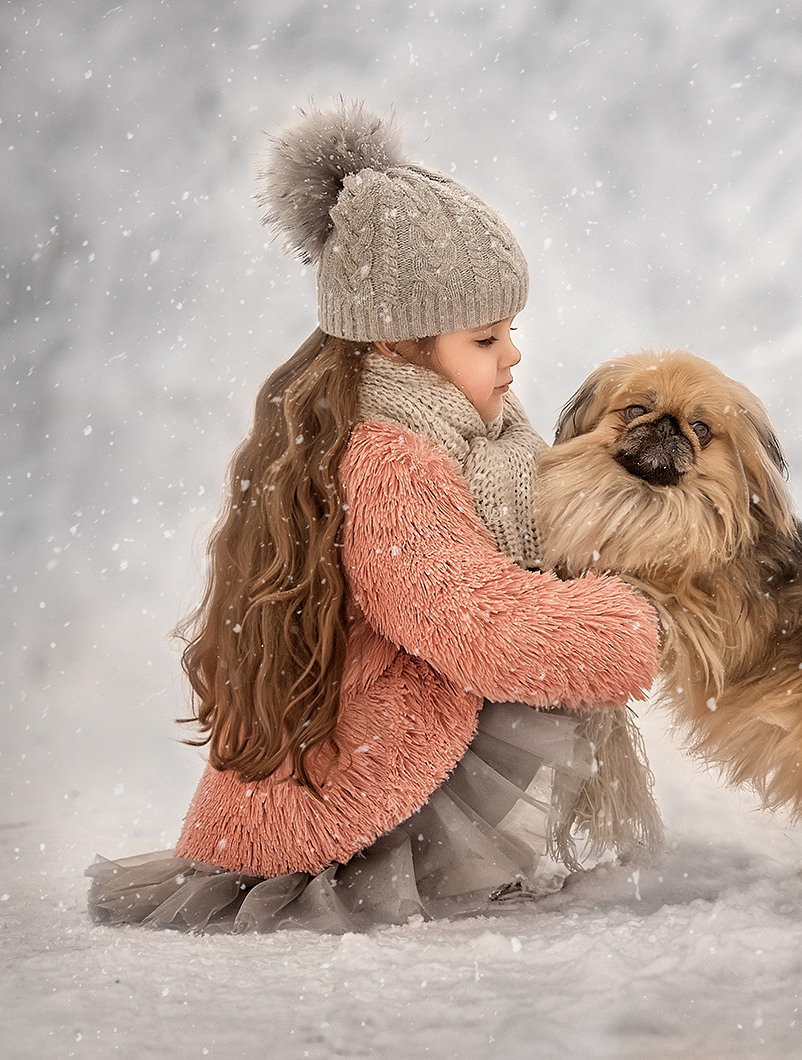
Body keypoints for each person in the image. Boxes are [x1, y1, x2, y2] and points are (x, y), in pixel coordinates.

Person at [87, 101, 661, 933]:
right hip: (360, 783)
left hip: (348, 747)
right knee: (533, 659)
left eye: (511, 330)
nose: (513, 355)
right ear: (395, 344)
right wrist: (632, 620)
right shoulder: (391, 460)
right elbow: (475, 622)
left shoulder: (435, 429)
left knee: (536, 649)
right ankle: (404, 864)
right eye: (485, 339)